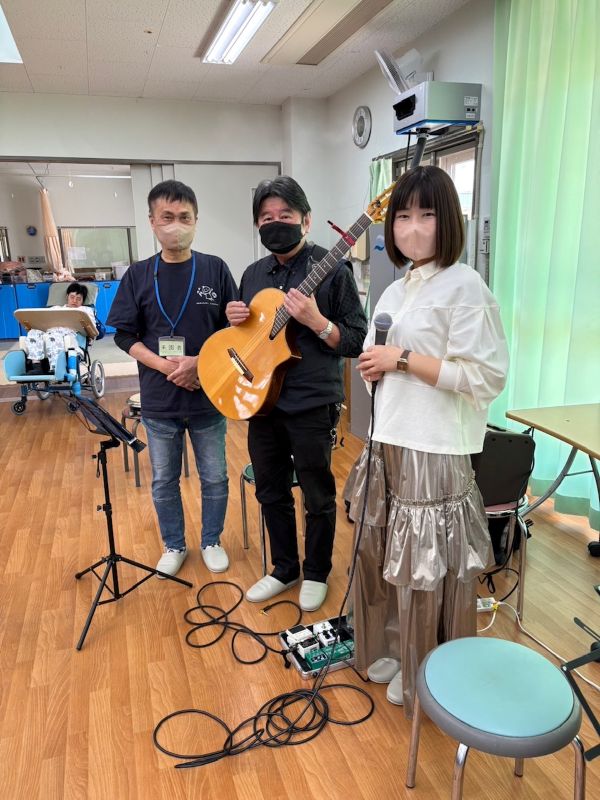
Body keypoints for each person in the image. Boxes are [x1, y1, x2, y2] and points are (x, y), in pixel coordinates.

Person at [348, 165, 508, 716]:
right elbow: (381, 355)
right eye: (402, 217)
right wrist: (377, 364)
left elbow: (484, 377)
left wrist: (403, 359)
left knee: (424, 562)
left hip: (434, 447)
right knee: (383, 550)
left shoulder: (465, 287)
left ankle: (428, 663)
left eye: (426, 214)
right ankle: (391, 646)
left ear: (449, 221)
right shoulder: (395, 289)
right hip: (387, 438)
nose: (412, 228)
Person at [226, 176, 368, 612]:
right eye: (266, 217)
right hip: (261, 401)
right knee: (270, 489)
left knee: (317, 492)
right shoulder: (253, 274)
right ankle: (284, 567)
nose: (275, 223)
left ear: (306, 220)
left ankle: (318, 571)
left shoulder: (332, 269)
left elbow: (356, 340)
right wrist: (235, 318)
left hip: (311, 402)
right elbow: (252, 337)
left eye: (284, 215)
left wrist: (317, 322)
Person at [108, 180, 238, 577]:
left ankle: (212, 540)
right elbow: (124, 335)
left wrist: (198, 363)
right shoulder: (138, 274)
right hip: (160, 399)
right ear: (152, 221)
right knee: (164, 479)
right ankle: (174, 544)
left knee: (214, 476)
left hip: (208, 395)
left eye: (184, 217)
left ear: (196, 221)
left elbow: (234, 332)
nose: (176, 225)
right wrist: (167, 367)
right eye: (167, 217)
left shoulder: (215, 269)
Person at [25, 282, 95, 373]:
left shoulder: (85, 310)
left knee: (53, 335)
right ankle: (36, 366)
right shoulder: (55, 308)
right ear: (67, 296)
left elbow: (92, 328)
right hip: (49, 331)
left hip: (69, 334)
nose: (74, 301)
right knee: (33, 332)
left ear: (82, 301)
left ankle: (55, 368)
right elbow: (42, 321)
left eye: (78, 299)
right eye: (72, 297)